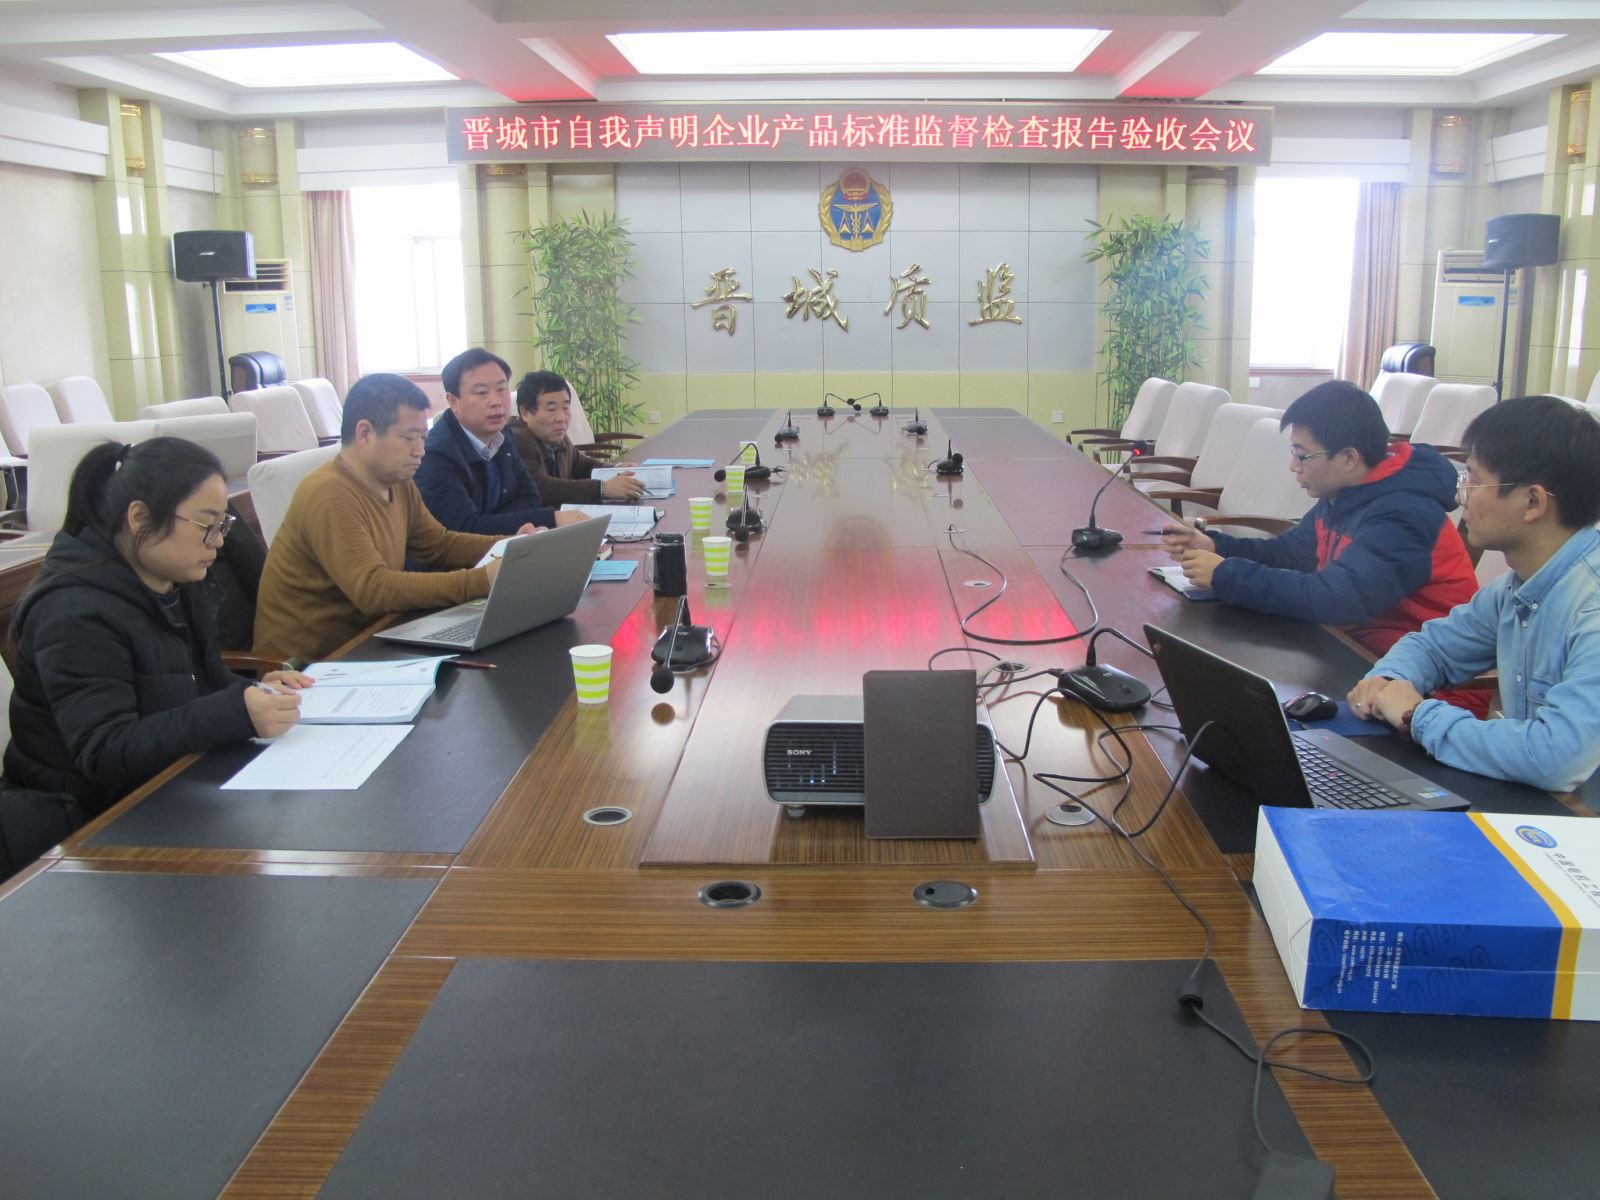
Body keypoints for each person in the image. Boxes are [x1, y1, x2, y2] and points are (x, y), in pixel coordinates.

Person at [2, 437, 307, 875]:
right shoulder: (74, 612)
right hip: (83, 830)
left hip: (161, 789)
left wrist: (253, 691)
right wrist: (236, 711)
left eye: (223, 524)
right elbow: (104, 750)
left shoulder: (172, 578)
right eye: (207, 525)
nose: (219, 542)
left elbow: (193, 680)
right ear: (140, 518)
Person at [1348, 396, 1600, 798]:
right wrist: (1388, 680)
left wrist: (1417, 716)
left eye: (1475, 480)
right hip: (1542, 802)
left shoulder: (1592, 605)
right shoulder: (1519, 583)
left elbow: (1555, 757)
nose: (1461, 495)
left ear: (1533, 502)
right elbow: (1434, 646)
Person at [1162, 380, 1478, 660]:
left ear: (1348, 458)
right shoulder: (1347, 493)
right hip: (1356, 652)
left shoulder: (1403, 515)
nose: (1293, 466)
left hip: (1422, 683)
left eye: (1302, 455)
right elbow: (1289, 553)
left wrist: (1227, 575)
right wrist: (1216, 545)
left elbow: (1336, 598)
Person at [253, 373, 516, 664]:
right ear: (365, 433)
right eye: (409, 438)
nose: (420, 451)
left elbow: (438, 545)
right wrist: (481, 580)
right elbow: (372, 589)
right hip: (309, 668)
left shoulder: (397, 481)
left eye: (423, 437)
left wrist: (514, 547)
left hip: (372, 640)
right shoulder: (329, 493)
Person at [416, 348, 586, 533]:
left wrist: (492, 521)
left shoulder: (503, 436)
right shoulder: (435, 455)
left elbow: (531, 496)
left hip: (508, 544)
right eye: (482, 392)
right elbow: (463, 529)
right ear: (453, 401)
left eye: (501, 389)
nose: (496, 401)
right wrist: (551, 518)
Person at [507, 370, 647, 505]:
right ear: (525, 413)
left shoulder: (556, 436)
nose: (561, 418)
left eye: (566, 408)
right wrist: (602, 488)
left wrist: (616, 469)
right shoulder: (517, 439)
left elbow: (582, 466)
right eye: (551, 409)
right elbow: (541, 487)